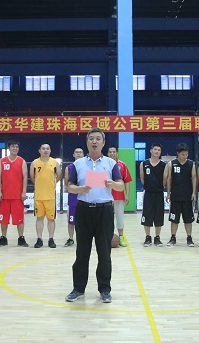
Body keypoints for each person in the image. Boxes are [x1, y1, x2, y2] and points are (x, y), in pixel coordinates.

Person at [65, 127, 124, 304]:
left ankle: (105, 289)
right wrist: (80, 189)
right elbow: (70, 186)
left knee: (104, 252)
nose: (95, 141)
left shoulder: (111, 164)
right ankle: (78, 289)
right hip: (84, 210)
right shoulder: (78, 164)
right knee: (82, 252)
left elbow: (121, 185)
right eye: (91, 138)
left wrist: (112, 184)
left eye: (98, 138)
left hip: (105, 211)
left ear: (103, 143)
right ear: (87, 142)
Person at [0, 140, 29, 247]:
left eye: (16, 147)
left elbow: (25, 177)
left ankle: (21, 238)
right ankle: (3, 238)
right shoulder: (2, 161)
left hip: (17, 196)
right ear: (9, 148)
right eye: (13, 146)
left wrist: (24, 192)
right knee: (4, 219)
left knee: (19, 218)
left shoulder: (22, 161)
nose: (15, 148)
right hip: (5, 196)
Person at [164, 142, 196, 247]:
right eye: (183, 154)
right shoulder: (171, 164)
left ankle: (189, 238)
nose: (185, 156)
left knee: (188, 219)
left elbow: (194, 178)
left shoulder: (191, 164)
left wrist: (194, 192)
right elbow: (169, 179)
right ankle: (173, 237)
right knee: (174, 219)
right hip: (175, 196)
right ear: (178, 153)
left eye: (186, 154)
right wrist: (168, 193)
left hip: (187, 196)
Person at [30, 143, 61, 248]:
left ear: (50, 151)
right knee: (39, 218)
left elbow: (59, 176)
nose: (45, 150)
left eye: (47, 149)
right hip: (39, 196)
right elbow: (32, 177)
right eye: (43, 149)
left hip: (50, 196)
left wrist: (51, 184)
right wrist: (40, 184)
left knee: (51, 219)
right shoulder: (35, 163)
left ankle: (51, 239)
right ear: (40, 150)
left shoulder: (55, 162)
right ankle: (39, 239)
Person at [140, 143, 166, 247]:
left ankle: (157, 237)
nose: (157, 151)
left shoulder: (164, 165)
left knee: (159, 215)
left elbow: (164, 180)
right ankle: (148, 237)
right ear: (151, 150)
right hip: (148, 193)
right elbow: (142, 179)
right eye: (155, 149)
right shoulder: (144, 164)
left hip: (159, 193)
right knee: (147, 215)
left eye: (159, 150)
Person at [107, 146, 133, 247]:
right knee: (108, 219)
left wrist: (127, 195)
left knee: (119, 218)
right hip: (106, 197)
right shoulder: (104, 164)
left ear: (117, 153)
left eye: (114, 152)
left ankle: (121, 237)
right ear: (107, 153)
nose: (112, 153)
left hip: (119, 196)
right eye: (110, 152)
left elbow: (127, 181)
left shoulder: (122, 165)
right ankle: (107, 237)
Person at [64, 147, 85, 247]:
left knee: (84, 221)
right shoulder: (69, 168)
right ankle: (71, 238)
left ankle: (83, 238)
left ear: (83, 155)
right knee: (71, 221)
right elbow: (66, 183)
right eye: (76, 152)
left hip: (84, 198)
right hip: (73, 198)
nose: (78, 154)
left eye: (80, 152)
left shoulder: (87, 167)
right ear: (73, 155)